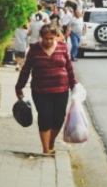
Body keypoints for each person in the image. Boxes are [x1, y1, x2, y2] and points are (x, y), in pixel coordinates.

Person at [14, 24, 77, 156]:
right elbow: (26, 70)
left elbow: (69, 68)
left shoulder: (62, 47)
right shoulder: (34, 50)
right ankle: (45, 149)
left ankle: (51, 141)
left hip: (61, 90)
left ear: (55, 37)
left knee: (59, 119)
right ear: (41, 37)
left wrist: (74, 86)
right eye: (46, 38)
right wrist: (19, 86)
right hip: (40, 91)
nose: (48, 41)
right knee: (45, 117)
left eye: (51, 38)